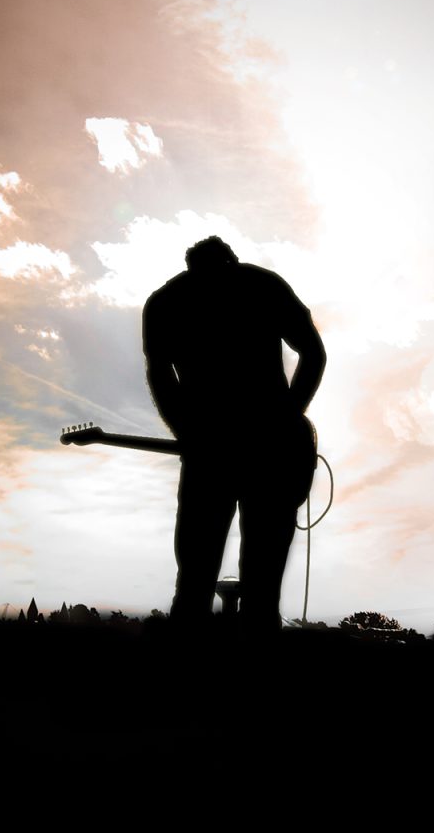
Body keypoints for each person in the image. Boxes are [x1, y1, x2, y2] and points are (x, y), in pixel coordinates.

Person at [142, 236, 326, 634]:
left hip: (230, 449)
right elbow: (313, 353)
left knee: (202, 579)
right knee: (235, 581)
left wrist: (187, 431)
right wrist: (286, 417)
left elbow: (159, 373)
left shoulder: (167, 301)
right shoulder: (260, 285)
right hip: (243, 450)